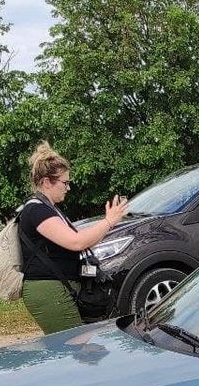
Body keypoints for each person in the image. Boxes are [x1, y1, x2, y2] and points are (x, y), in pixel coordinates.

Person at [18, 142, 129, 334]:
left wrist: (107, 224)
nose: (68, 188)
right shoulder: (36, 210)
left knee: (75, 350)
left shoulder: (49, 209)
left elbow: (81, 241)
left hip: (57, 287)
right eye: (65, 182)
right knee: (72, 348)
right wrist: (109, 221)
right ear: (46, 182)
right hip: (49, 290)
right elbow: (76, 242)